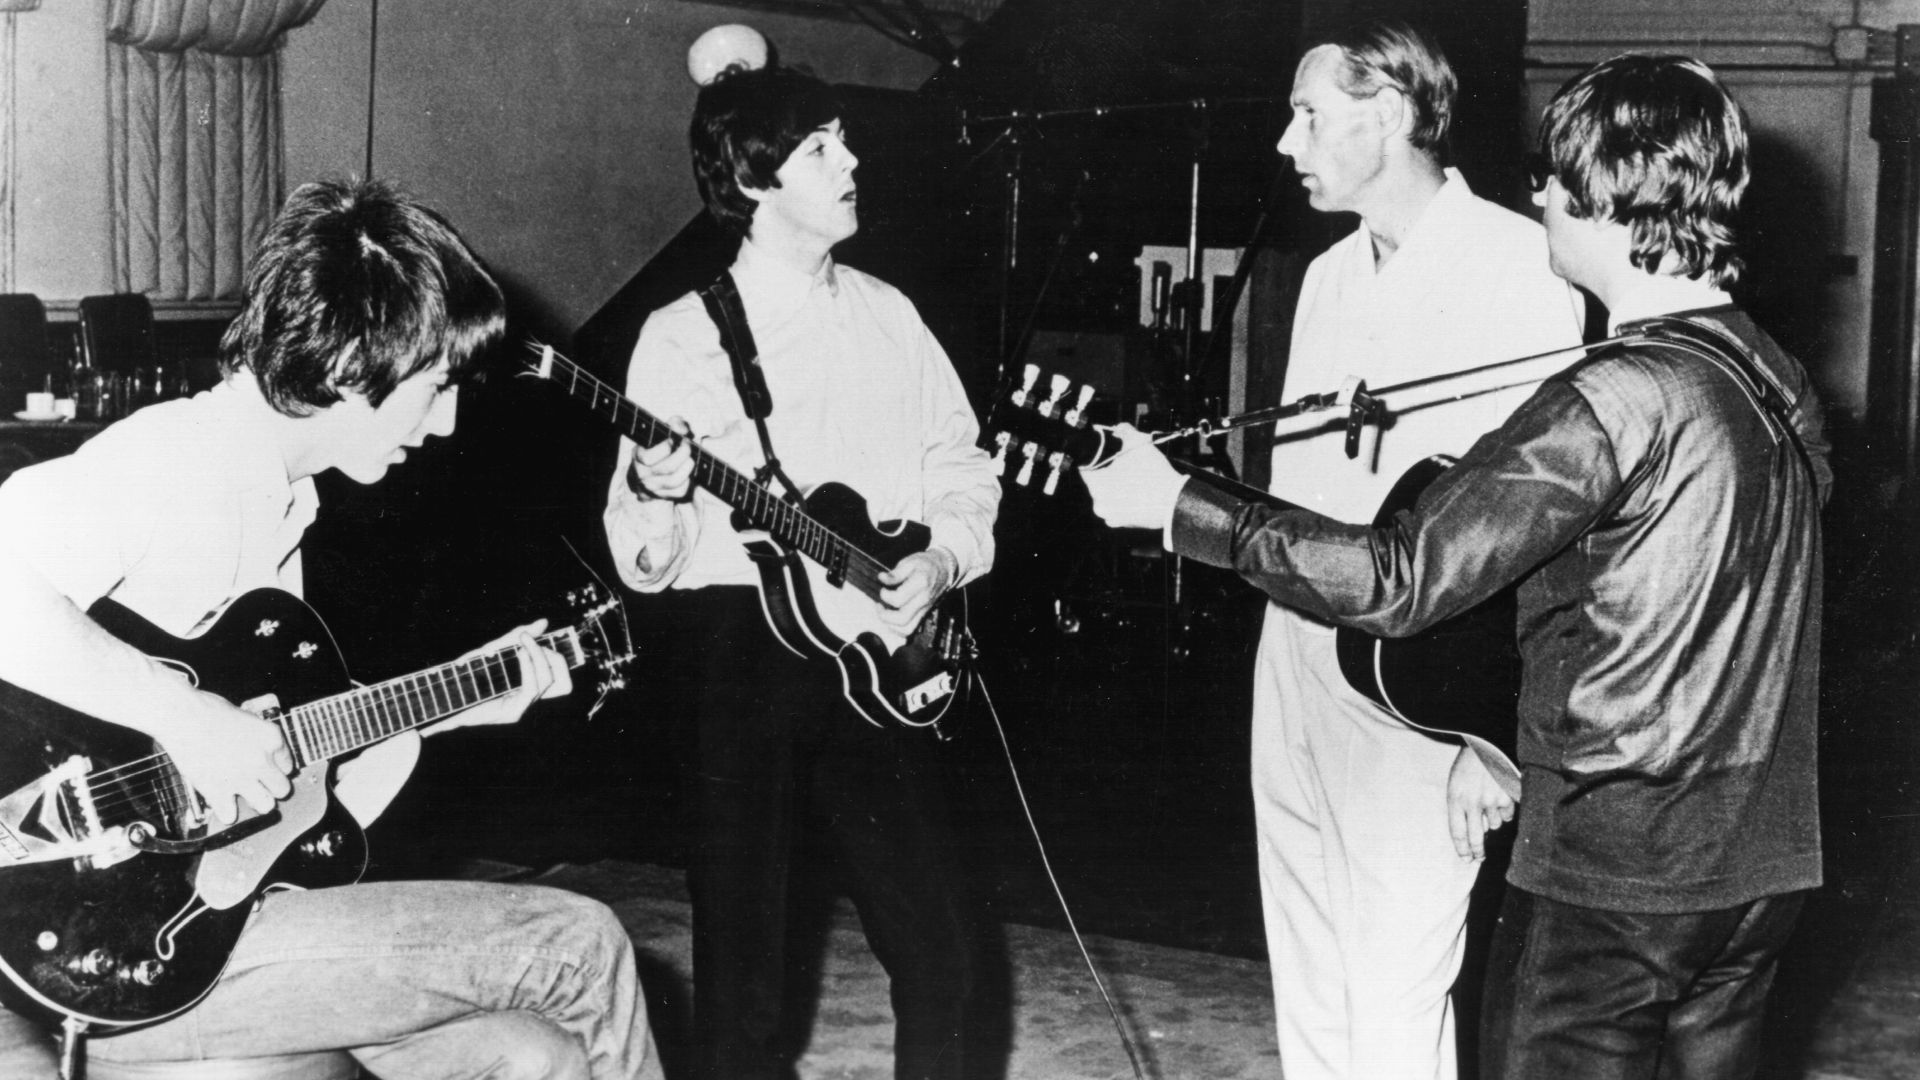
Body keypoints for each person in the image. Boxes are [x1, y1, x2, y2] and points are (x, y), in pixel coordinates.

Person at [1081, 52, 1827, 1079]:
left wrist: (1182, 507)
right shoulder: (1773, 376)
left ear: (1608, 198)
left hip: (1612, 867)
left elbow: (1402, 576)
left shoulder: (1611, 396)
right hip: (1755, 861)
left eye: (1555, 179)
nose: (1540, 198)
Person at [0, 178, 661, 1079]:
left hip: (215, 913)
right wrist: (185, 716)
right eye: (436, 386)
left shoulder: (279, 503)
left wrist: (458, 700)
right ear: (352, 369)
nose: (450, 418)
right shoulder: (176, 459)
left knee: (531, 1055)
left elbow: (297, 796)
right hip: (106, 940)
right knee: (579, 942)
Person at [602, 61, 998, 1080]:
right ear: (753, 181)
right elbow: (650, 560)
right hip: (747, 662)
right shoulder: (684, 336)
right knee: (745, 987)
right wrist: (658, 489)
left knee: (946, 948)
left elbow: (959, 459)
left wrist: (945, 557)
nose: (853, 159)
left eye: (842, 140)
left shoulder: (890, 313)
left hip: (883, 659)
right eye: (821, 147)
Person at [1239, 21, 1586, 1080]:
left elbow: (1535, 526)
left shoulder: (1522, 263)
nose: (1288, 144)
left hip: (1422, 680)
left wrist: (1488, 736)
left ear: (1386, 113)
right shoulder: (1330, 275)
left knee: (1394, 987)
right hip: (1296, 660)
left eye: (1310, 116)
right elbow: (1299, 496)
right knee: (1310, 970)